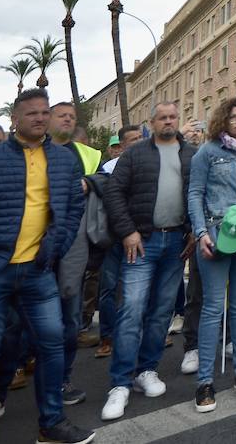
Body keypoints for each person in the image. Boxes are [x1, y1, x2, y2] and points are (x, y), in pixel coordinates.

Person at [0, 89, 93, 444]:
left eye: (44, 112)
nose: (39, 118)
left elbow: (73, 208)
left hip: (38, 270)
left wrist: (57, 247)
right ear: (14, 119)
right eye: (31, 113)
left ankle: (52, 423)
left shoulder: (64, 160)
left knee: (52, 343)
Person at [99, 103, 195, 420]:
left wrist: (194, 231)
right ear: (151, 123)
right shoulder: (135, 153)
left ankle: (147, 370)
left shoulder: (190, 152)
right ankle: (120, 384)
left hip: (176, 243)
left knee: (161, 312)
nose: (169, 121)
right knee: (132, 310)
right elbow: (114, 192)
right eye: (162, 118)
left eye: (173, 116)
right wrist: (127, 232)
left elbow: (199, 193)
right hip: (142, 243)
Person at [187, 97, 236, 412]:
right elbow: (195, 194)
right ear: (222, 119)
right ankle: (205, 382)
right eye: (234, 116)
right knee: (212, 308)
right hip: (215, 235)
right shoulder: (206, 153)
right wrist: (201, 233)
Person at [49, 100, 100, 406]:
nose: (67, 120)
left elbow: (107, 177)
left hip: (72, 247)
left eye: (71, 116)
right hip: (35, 249)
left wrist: (89, 181)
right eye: (61, 115)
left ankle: (62, 380)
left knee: (68, 319)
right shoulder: (34, 151)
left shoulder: (86, 154)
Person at [94, 125, 142, 358]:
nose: (137, 142)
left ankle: (138, 334)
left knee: (139, 288)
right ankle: (107, 337)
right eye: (132, 140)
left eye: (140, 138)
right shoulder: (108, 168)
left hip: (142, 236)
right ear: (121, 145)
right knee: (110, 288)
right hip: (115, 237)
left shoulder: (151, 162)